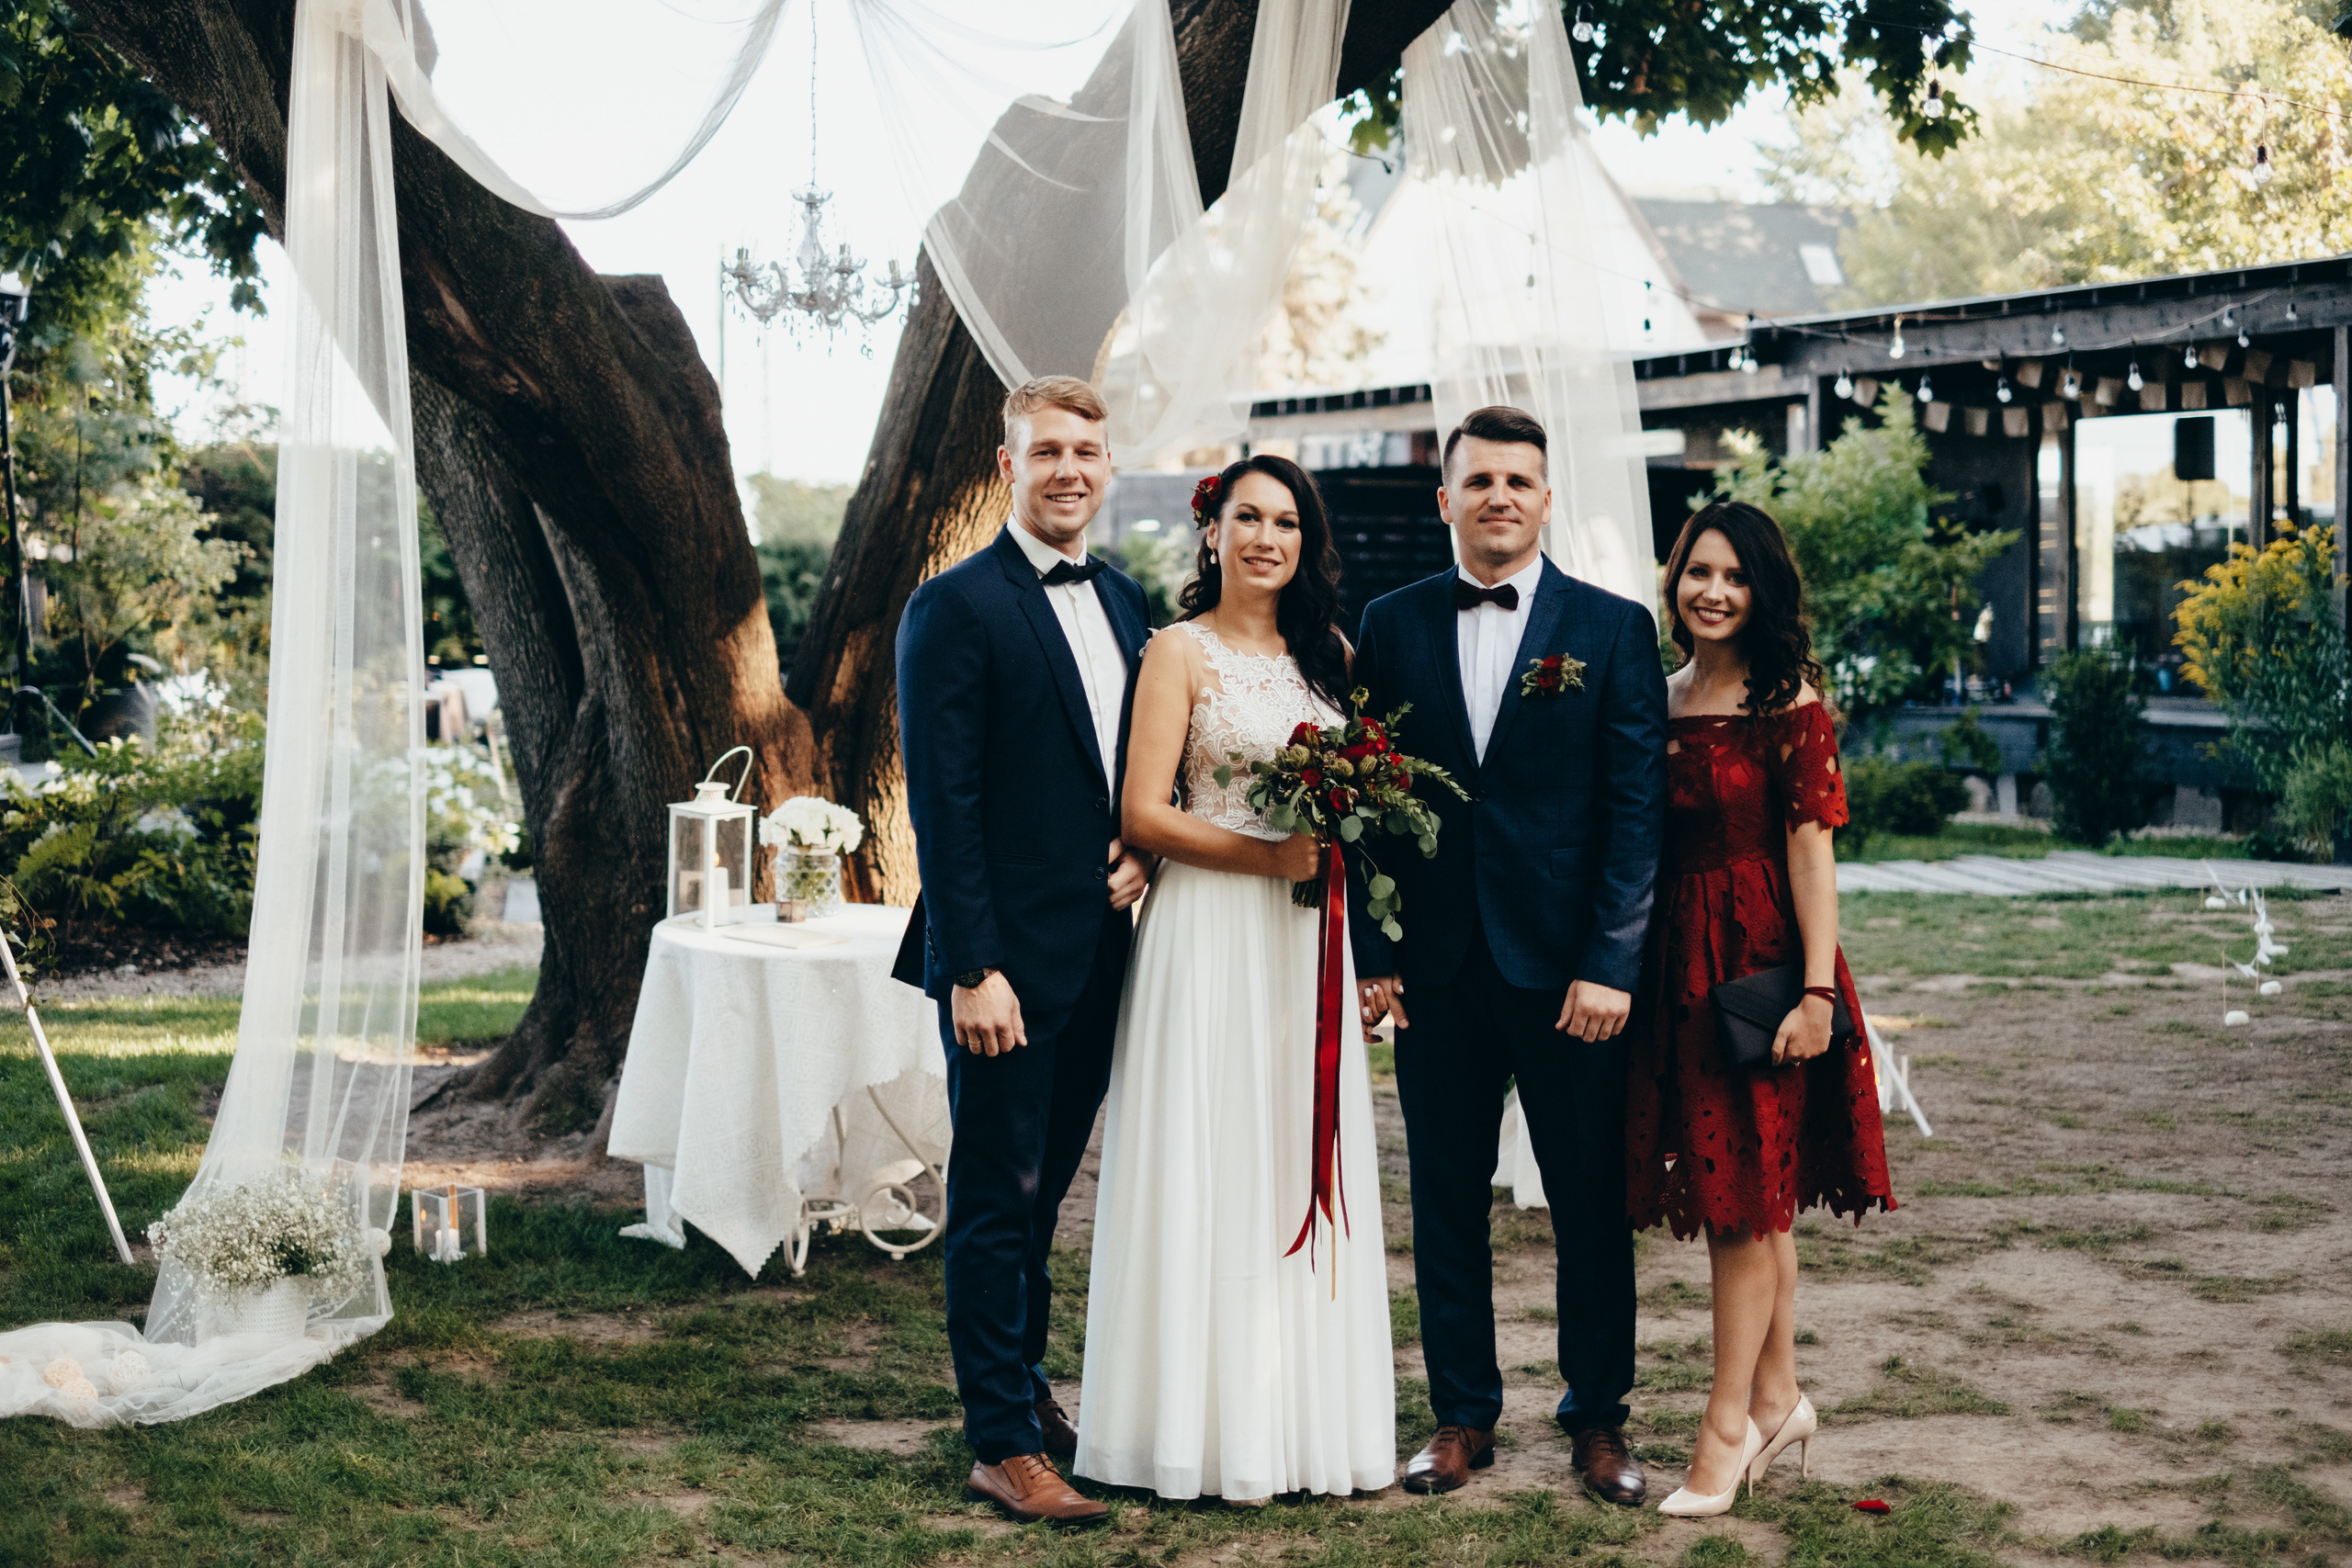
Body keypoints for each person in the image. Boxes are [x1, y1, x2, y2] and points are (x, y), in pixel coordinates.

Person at [1348, 405, 1667, 1505]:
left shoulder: (1611, 630)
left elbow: (1635, 812)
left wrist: (1611, 963)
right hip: (1435, 970)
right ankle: (1460, 1416)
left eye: (1517, 482)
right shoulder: (1388, 624)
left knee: (1588, 1201)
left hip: (1568, 971)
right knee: (1444, 1197)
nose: (1498, 497)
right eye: (1479, 481)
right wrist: (1375, 950)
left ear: (1545, 499)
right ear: (1445, 499)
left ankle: (1598, 1419)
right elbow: (1368, 801)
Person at [1075, 455, 1396, 1503]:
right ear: (1211, 532)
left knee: (1290, 1149)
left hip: (1304, 940)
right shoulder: (1176, 650)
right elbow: (1143, 811)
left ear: (1308, 542)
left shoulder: (1329, 655)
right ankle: (1189, 1432)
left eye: (1286, 522)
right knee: (1205, 1153)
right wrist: (1267, 857)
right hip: (1209, 928)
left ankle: (1300, 1426)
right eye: (1246, 517)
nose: (1266, 538)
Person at [891, 376, 1153, 1526]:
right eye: (1046, 451)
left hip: (1099, 954)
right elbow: (941, 807)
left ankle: (1027, 1392)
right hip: (1001, 967)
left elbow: (1134, 772)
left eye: (1085, 451)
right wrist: (970, 968)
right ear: (1009, 466)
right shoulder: (953, 607)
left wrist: (1144, 854)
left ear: (1106, 464)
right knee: (997, 1199)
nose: (1068, 470)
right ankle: (1000, 1444)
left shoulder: (1129, 601)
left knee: (1043, 1201)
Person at [1625, 499, 1895, 1518]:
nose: (1714, 591)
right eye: (1699, 571)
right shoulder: (1656, 697)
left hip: (1761, 969)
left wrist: (1817, 994)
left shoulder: (1789, 703)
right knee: (1749, 1197)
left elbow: (1812, 855)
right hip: (1674, 967)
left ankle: (1726, 1428)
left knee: (1741, 1207)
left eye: (1736, 576)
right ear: (1675, 579)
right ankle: (1779, 1400)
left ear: (1763, 591)